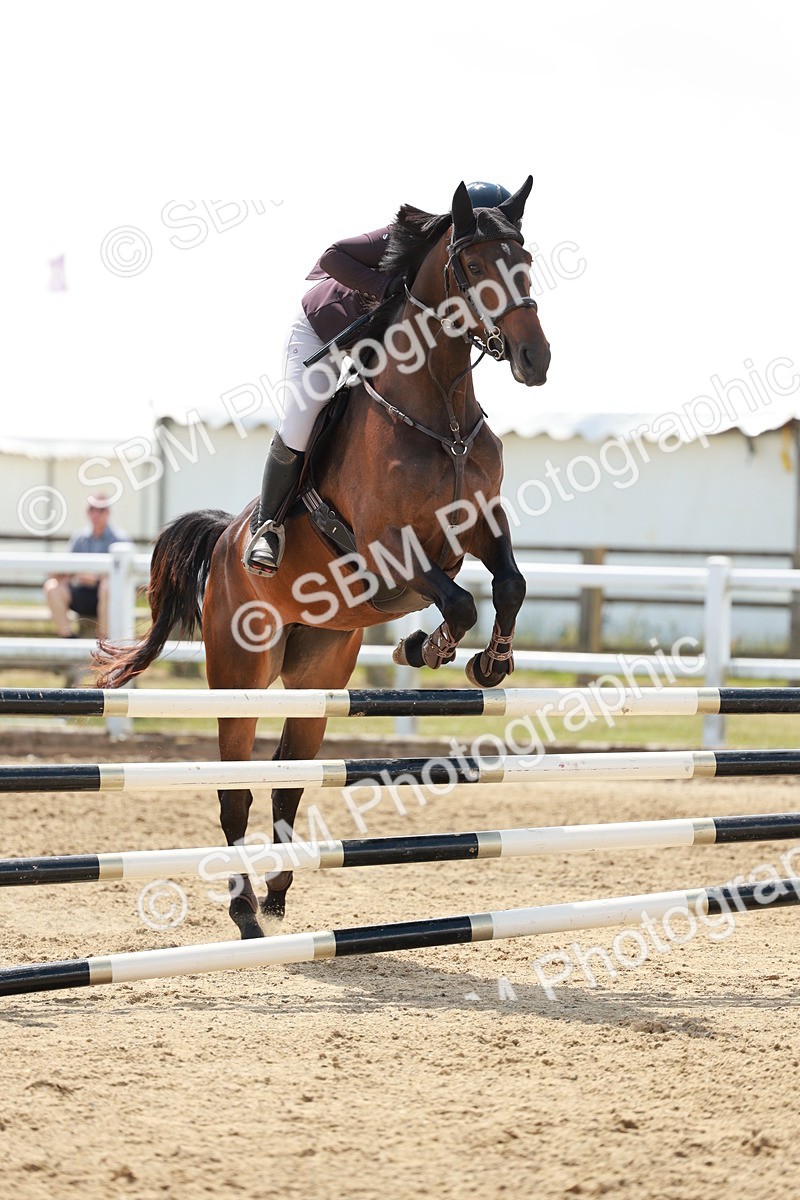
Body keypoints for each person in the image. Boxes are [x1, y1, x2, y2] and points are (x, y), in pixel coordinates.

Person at [242, 181, 512, 578]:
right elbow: (332, 256)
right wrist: (388, 287)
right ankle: (267, 527)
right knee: (300, 423)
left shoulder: (466, 268)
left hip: (378, 345)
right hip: (327, 332)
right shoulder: (412, 239)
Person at [44, 494, 127, 638]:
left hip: (107, 596)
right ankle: (68, 639)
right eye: (92, 509)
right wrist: (64, 573)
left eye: (100, 510)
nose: (95, 514)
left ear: (108, 513)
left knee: (107, 587)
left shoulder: (120, 538)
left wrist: (96, 579)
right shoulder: (79, 538)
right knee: (51, 586)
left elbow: (124, 575)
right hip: (81, 592)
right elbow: (68, 566)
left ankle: (103, 644)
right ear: (87, 512)